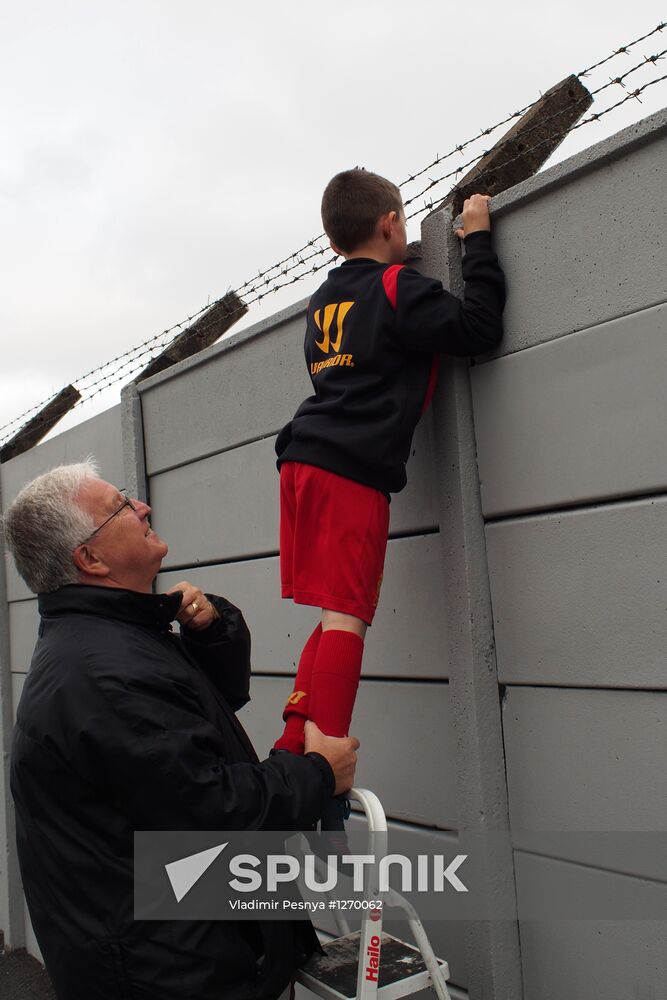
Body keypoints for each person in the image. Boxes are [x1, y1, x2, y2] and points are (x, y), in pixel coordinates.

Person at [3, 460, 359, 1000]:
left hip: (169, 945)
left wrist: (211, 632)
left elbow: (202, 715)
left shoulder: (112, 640)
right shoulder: (105, 675)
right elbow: (212, 810)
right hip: (170, 973)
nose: (141, 506)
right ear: (91, 559)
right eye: (121, 507)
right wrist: (316, 773)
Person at [273, 169, 505, 810]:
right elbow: (479, 328)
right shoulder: (399, 285)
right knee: (347, 616)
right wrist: (478, 241)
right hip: (349, 471)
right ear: (391, 225)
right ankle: (323, 781)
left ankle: (293, 746)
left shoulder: (327, 301)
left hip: (303, 463)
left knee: (330, 613)